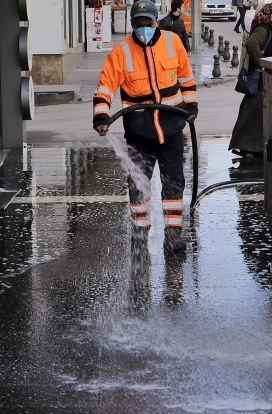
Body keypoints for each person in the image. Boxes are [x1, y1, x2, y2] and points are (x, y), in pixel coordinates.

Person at [93, 0, 198, 255]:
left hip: (172, 129)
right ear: (132, 25)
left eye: (147, 23)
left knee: (174, 186)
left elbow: (186, 77)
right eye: (138, 24)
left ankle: (173, 240)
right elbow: (105, 86)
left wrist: (191, 107)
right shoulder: (121, 52)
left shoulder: (173, 43)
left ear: (156, 20)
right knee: (139, 188)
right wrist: (101, 116)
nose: (143, 29)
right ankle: (139, 238)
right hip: (140, 134)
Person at [228, 3, 272, 160]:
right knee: (252, 115)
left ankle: (254, 148)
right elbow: (251, 43)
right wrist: (261, 63)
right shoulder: (263, 29)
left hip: (269, 81)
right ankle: (247, 148)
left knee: (258, 117)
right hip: (262, 82)